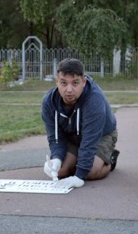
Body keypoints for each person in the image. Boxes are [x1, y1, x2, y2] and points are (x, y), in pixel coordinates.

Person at [41, 58, 119, 189]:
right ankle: (79, 160)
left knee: (91, 171)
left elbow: (90, 139)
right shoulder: (49, 102)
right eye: (64, 83)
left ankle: (109, 160)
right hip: (73, 137)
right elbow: (55, 138)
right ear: (57, 82)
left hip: (101, 135)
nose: (69, 90)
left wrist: (79, 176)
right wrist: (56, 159)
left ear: (84, 82)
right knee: (60, 171)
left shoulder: (94, 99)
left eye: (75, 83)